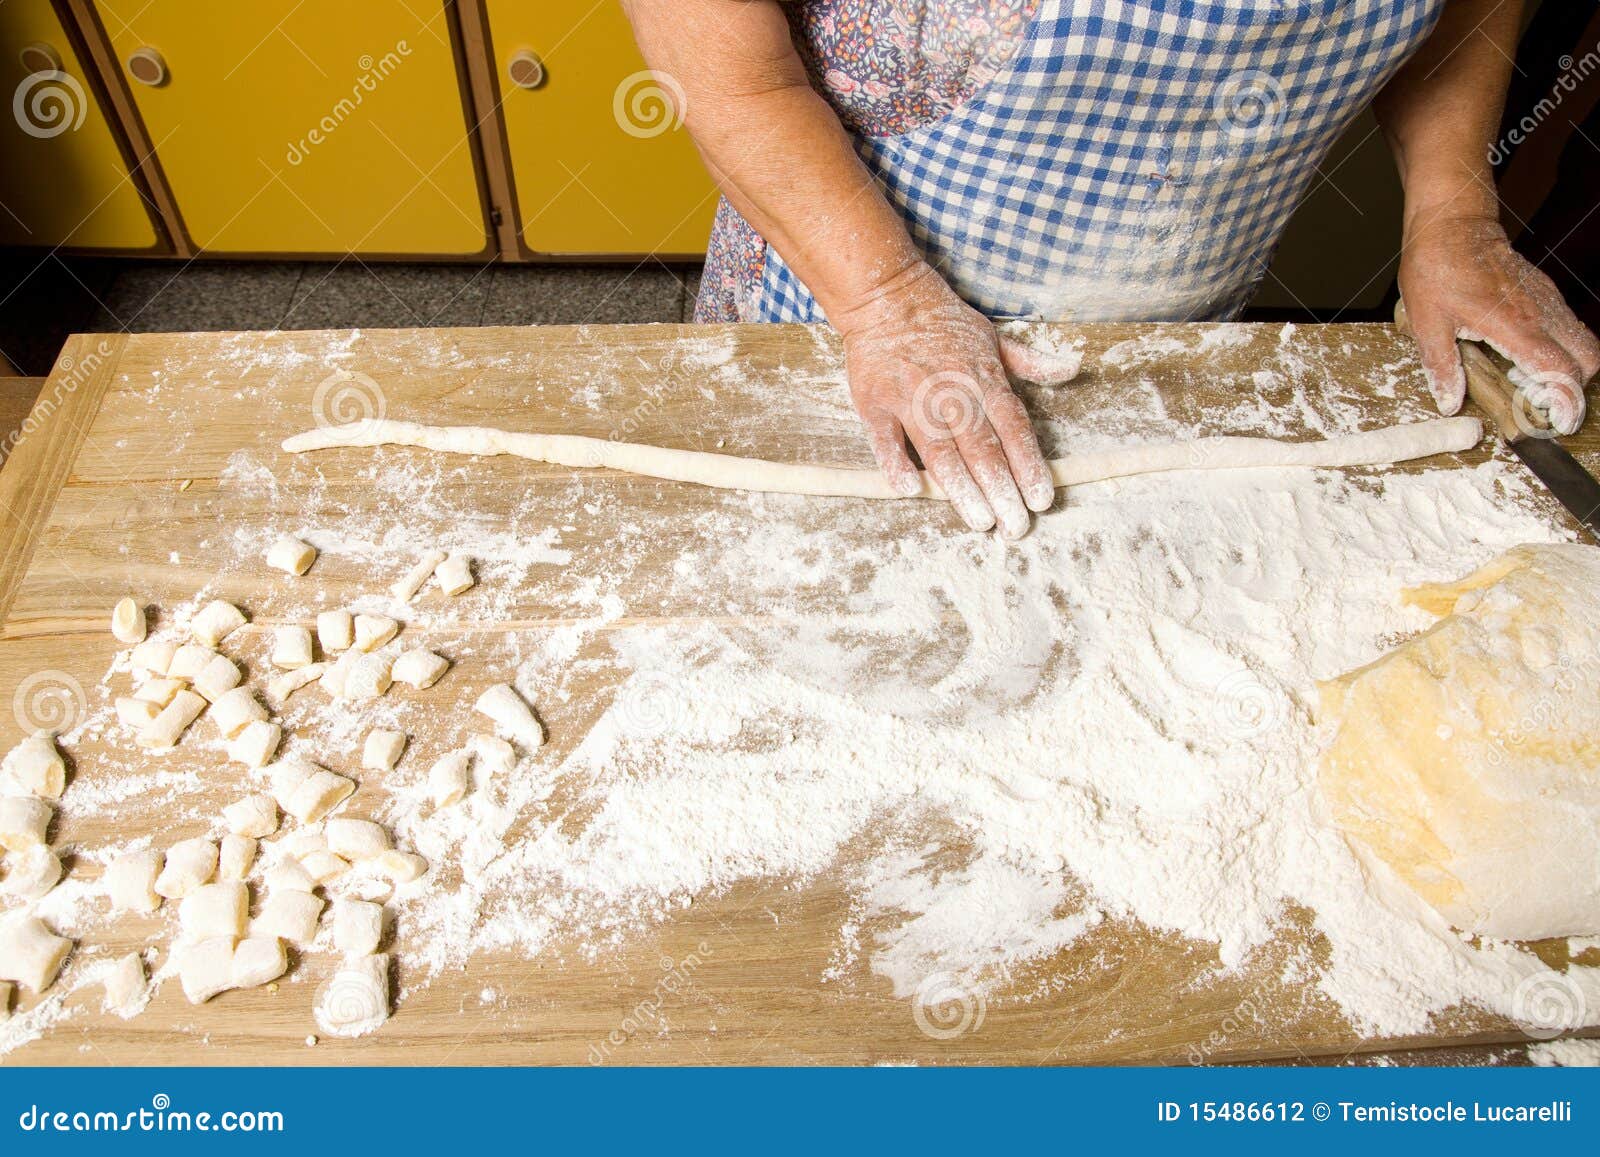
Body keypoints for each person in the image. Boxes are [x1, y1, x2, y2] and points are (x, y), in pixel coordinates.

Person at [624, 0, 1600, 537]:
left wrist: (1451, 208)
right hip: (849, 314)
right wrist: (886, 302)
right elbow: (724, 69)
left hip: (1168, 331)